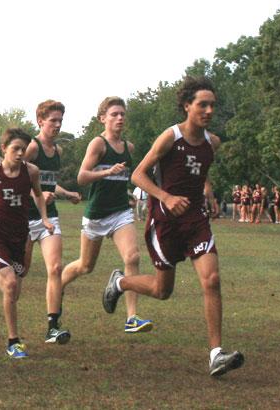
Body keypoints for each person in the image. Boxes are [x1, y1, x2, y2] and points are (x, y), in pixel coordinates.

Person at [102, 77, 244, 377]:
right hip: (164, 223)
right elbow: (138, 176)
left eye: (212, 105)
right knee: (162, 290)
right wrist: (165, 197)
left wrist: (207, 189)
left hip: (195, 221)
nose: (208, 110)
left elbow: (200, 167)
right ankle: (120, 283)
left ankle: (216, 353)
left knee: (212, 279)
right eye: (202, 105)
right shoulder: (171, 137)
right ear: (187, 105)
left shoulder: (212, 143)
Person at [61, 96, 152, 333]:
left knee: (132, 258)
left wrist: (128, 194)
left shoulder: (129, 148)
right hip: (96, 215)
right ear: (103, 119)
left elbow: (121, 178)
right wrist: (106, 172)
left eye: (122, 114)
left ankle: (132, 318)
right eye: (114, 114)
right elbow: (81, 177)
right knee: (85, 266)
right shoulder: (98, 144)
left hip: (120, 212)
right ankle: (56, 286)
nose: (120, 118)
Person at [0, 128, 54, 358]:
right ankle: (13, 341)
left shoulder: (31, 172)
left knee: (15, 291)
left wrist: (45, 218)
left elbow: (38, 195)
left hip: (21, 235)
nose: (20, 153)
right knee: (9, 284)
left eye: (23, 149)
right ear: (4, 149)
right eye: (15, 149)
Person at [23, 100, 80, 344]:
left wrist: (66, 193)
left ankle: (52, 327)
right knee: (20, 271)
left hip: (49, 216)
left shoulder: (58, 151)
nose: (57, 125)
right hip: (24, 217)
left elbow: (48, 183)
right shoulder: (31, 148)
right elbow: (13, 180)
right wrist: (37, 196)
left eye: (60, 121)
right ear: (40, 121)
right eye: (53, 120)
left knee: (55, 268)